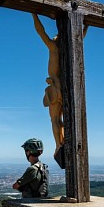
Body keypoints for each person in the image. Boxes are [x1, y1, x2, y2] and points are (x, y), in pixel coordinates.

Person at [33, 13, 65, 153]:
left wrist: (33, 14)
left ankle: (58, 145)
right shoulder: (68, 51)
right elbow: (80, 37)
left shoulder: (53, 48)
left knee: (54, 119)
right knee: (61, 118)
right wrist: (86, 24)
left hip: (55, 88)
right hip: (64, 87)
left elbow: (41, 31)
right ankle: (62, 141)